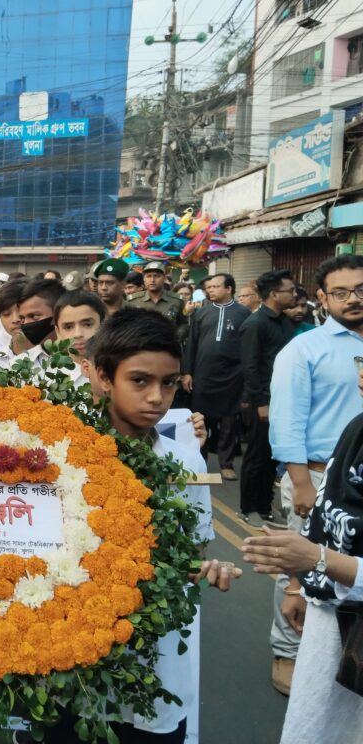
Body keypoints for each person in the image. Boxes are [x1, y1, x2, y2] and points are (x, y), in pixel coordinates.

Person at [46, 308, 232, 744]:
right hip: (71, 651)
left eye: (168, 383)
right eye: (140, 381)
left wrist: (204, 570)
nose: (156, 397)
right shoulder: (62, 454)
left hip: (154, 655)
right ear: (104, 376)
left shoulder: (185, 460)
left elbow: (191, 553)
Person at [242, 373, 363, 743]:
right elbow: (326, 508)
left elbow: (317, 551)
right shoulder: (358, 426)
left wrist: (316, 560)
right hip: (333, 619)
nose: (360, 375)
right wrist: (298, 586)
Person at [268, 254, 363, 694]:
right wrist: (301, 482)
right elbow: (287, 420)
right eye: (341, 292)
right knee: (301, 566)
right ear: (322, 298)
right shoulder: (304, 348)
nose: (353, 299)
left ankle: (342, 656)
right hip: (319, 475)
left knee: (350, 572)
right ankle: (286, 650)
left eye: (361, 289)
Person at [237, 269, 296, 529]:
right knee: (256, 456)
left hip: (281, 398)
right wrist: (262, 402)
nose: (294, 294)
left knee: (273, 455)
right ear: (274, 294)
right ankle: (247, 508)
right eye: (290, 290)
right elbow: (249, 367)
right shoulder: (255, 323)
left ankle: (264, 506)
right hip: (261, 401)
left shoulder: (284, 321)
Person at [181, 273, 251, 482]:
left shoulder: (243, 314)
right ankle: (199, 461)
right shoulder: (201, 313)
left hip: (232, 376)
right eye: (208, 287)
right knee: (200, 420)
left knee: (229, 421)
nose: (210, 290)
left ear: (229, 289)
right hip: (203, 375)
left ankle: (226, 463)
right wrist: (187, 372)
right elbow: (191, 344)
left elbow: (248, 348)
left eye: (215, 287)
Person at [53, 289, 106, 381]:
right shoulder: (49, 381)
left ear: (103, 325)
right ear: (58, 332)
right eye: (68, 327)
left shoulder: (119, 372)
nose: (78, 334)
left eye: (87, 325)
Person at [128, 262, 187, 338]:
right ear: (144, 279)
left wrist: (176, 336)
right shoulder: (133, 301)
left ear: (164, 278)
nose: (152, 280)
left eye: (157, 276)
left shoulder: (177, 300)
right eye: (148, 276)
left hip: (168, 346)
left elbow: (184, 324)